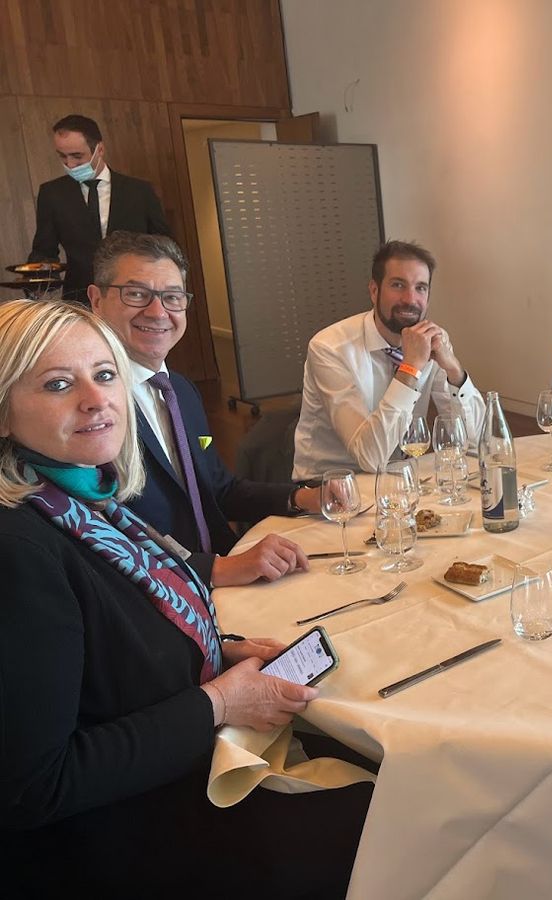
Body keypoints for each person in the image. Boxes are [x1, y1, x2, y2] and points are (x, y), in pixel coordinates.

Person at [0, 300, 371, 897]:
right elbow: (33, 787)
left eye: (104, 374)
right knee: (384, 825)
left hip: (181, 765)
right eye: (58, 384)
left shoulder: (84, 499)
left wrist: (214, 651)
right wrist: (218, 703)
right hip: (125, 834)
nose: (96, 400)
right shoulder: (20, 549)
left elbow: (111, 653)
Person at [88, 231, 323, 587]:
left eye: (172, 297)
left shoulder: (181, 391)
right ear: (97, 300)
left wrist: (303, 497)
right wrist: (215, 570)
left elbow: (218, 489)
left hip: (223, 571)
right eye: (136, 294)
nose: (158, 312)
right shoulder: (91, 409)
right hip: (161, 594)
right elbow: (102, 535)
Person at [293, 239, 485, 479]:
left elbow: (477, 441)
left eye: (420, 288)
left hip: (401, 480)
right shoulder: (330, 348)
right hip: (330, 486)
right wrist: (410, 368)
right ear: (374, 291)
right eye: (398, 285)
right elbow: (370, 458)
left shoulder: (432, 340)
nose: (410, 299)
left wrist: (454, 370)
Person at [28, 114, 171, 304]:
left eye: (77, 156)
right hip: (80, 298)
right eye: (62, 156)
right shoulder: (52, 193)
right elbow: (44, 250)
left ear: (100, 149)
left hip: (137, 294)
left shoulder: (140, 191)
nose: (70, 164)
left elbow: (164, 245)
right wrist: (37, 284)